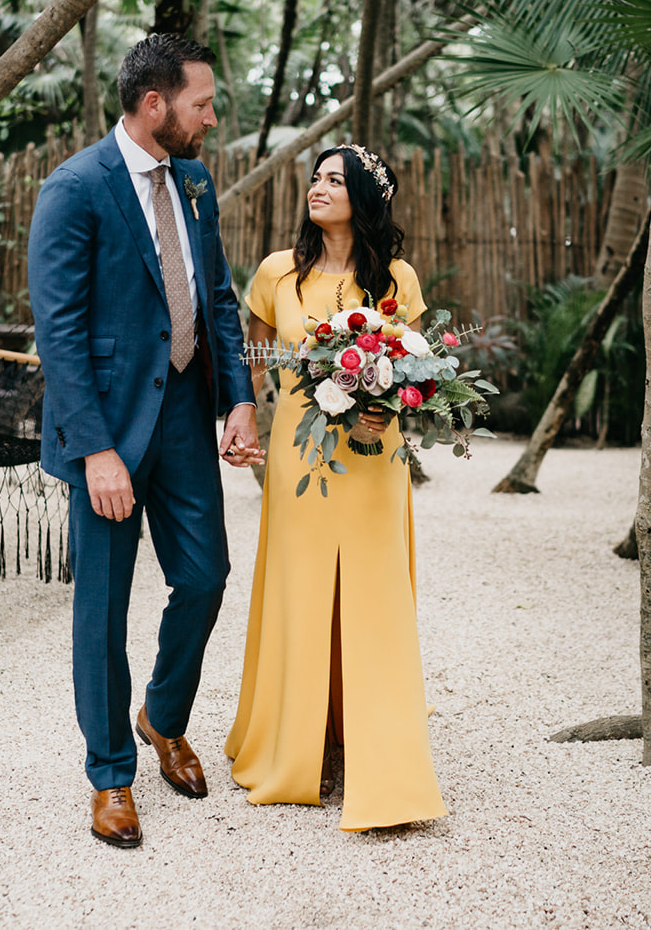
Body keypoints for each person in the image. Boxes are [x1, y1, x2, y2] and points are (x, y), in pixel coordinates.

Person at [29, 34, 263, 849]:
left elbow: (220, 300)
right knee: (101, 608)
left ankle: (162, 715)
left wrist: (239, 398)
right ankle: (111, 775)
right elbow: (56, 333)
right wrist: (95, 450)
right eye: (201, 102)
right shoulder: (74, 188)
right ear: (154, 104)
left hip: (185, 417)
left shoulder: (194, 182)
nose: (210, 117)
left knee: (206, 574)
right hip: (107, 430)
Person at [225, 144, 448, 831]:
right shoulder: (276, 273)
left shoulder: (397, 279)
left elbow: (416, 369)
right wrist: (244, 418)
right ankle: (297, 742)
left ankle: (377, 748)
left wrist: (392, 403)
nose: (317, 189)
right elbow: (254, 353)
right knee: (300, 584)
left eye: (333, 180)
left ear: (364, 196)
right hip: (300, 462)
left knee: (374, 592)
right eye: (314, 179)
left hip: (373, 456)